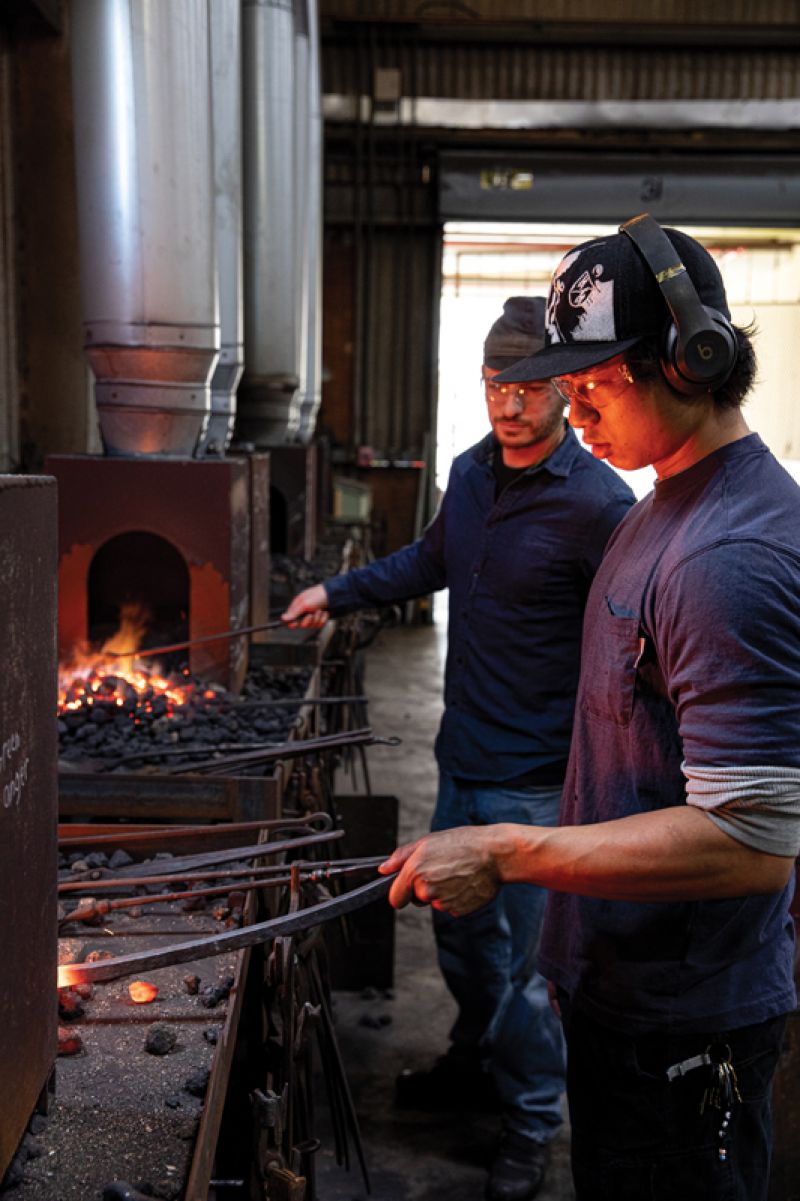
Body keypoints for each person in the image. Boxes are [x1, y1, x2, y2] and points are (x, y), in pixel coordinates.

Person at [380, 215, 800, 1201]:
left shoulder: (724, 558)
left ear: (687, 362)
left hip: (685, 1029)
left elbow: (753, 838)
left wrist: (503, 848)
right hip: (625, 992)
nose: (566, 402)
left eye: (590, 379)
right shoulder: (662, 501)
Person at [283, 296, 635, 1201]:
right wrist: (336, 588)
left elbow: (637, 643)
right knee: (458, 940)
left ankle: (529, 1119)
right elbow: (430, 559)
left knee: (524, 975)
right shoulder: (472, 473)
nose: (506, 404)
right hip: (463, 760)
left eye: (524, 386)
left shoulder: (601, 504)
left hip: (534, 786)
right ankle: (477, 1063)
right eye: (492, 384)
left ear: (561, 388)